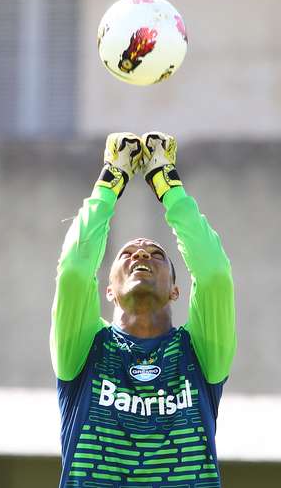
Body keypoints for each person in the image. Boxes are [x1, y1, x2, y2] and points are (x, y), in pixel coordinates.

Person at [51, 132, 236, 487]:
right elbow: (74, 272)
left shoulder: (198, 353)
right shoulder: (84, 349)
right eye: (128, 255)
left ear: (175, 290)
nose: (140, 255)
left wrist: (168, 185)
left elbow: (214, 275)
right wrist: (110, 182)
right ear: (108, 291)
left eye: (155, 255)